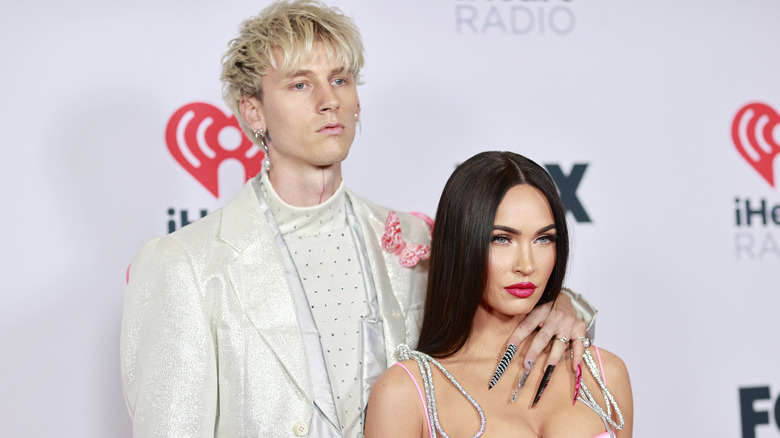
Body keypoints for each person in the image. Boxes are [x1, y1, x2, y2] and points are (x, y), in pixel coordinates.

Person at [120, 2, 595, 436]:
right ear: (253, 111)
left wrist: (563, 306)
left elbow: (491, 329)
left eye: (341, 79)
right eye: (300, 83)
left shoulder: (413, 241)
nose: (329, 100)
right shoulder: (184, 263)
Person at [365, 151, 633, 437]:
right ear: (461, 245)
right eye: (502, 239)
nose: (527, 265)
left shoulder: (606, 375)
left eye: (544, 238)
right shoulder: (405, 393)